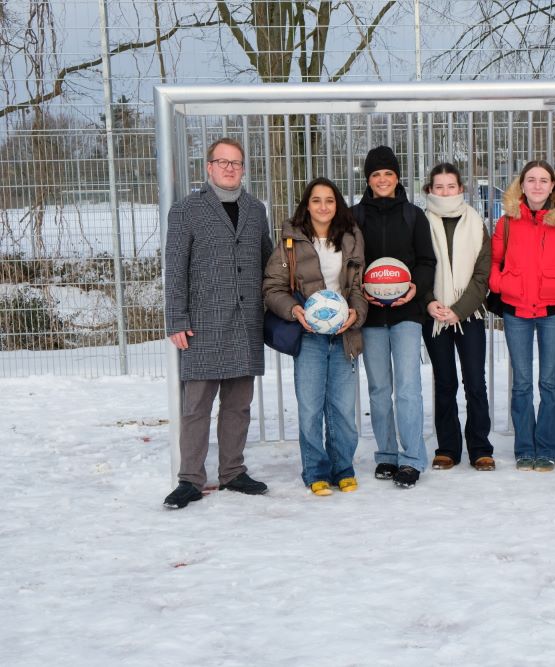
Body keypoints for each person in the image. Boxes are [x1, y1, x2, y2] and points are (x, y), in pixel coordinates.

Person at [163, 137, 273, 509]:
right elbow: (175, 268)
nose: (229, 168)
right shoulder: (186, 210)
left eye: (236, 163)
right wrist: (176, 317)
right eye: (222, 162)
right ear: (208, 167)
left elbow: (267, 260)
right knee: (196, 405)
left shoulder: (256, 210)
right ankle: (190, 478)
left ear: (243, 168)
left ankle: (232, 472)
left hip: (246, 322)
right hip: (203, 323)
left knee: (239, 404)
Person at [263, 178, 367, 496]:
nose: (323, 206)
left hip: (344, 334)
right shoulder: (291, 241)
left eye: (330, 200)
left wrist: (355, 313)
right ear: (307, 205)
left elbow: (359, 287)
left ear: (338, 205)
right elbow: (272, 287)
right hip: (309, 336)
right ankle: (315, 471)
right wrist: (295, 311)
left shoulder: (351, 238)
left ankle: (343, 468)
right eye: (317, 200)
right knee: (310, 408)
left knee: (342, 409)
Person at [489, 160, 555, 472]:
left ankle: (547, 448)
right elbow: (492, 263)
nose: (536, 186)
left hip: (552, 313)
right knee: (521, 383)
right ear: (521, 186)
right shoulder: (505, 222)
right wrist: (501, 283)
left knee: (549, 382)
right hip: (516, 312)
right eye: (530, 180)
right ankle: (525, 448)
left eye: (543, 180)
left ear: (552, 186)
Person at [353, 146, 436, 489]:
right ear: (368, 180)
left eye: (388, 173)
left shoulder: (414, 215)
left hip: (406, 314)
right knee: (378, 389)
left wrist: (415, 288)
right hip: (370, 315)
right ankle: (386, 454)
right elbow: (348, 263)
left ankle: (413, 458)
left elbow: (426, 261)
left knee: (407, 388)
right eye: (376, 174)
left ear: (397, 177)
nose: (382, 179)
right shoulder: (353, 217)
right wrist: (361, 290)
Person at [421, 163, 495, 472]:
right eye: (439, 187)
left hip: (469, 314)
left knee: (475, 382)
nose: (445, 192)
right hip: (434, 316)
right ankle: (447, 448)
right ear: (429, 190)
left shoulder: (476, 222)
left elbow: (483, 273)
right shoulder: (421, 222)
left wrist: (459, 309)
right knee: (445, 382)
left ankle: (480, 447)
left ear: (461, 189)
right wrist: (430, 303)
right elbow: (417, 267)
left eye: (451, 186)